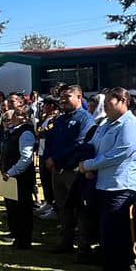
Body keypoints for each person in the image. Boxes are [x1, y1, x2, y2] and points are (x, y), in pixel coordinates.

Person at [79, 87, 136, 271]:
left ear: (123, 101)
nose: (105, 105)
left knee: (112, 235)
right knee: (108, 234)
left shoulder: (131, 126)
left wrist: (89, 165)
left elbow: (118, 154)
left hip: (121, 186)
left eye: (110, 101)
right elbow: (93, 146)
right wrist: (86, 164)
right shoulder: (105, 124)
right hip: (103, 184)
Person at [42, 85, 95, 253]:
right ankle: (66, 242)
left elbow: (80, 143)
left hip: (73, 170)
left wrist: (56, 158)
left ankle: (84, 247)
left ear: (79, 97)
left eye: (68, 96)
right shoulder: (60, 119)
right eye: (61, 97)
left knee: (80, 209)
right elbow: (49, 139)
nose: (63, 100)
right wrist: (48, 158)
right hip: (57, 171)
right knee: (63, 207)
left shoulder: (85, 119)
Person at [0, 106, 38, 248]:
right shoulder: (13, 131)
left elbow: (25, 158)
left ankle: (24, 240)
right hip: (11, 176)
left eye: (18, 115)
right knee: (13, 208)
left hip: (20, 177)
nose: (13, 117)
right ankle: (16, 236)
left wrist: (12, 172)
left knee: (22, 210)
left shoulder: (25, 133)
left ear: (25, 117)